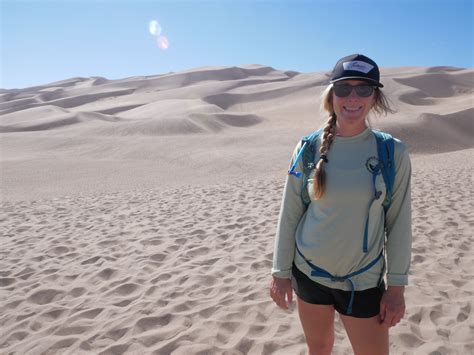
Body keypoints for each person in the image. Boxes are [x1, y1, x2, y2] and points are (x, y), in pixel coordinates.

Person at [270, 54, 412, 355]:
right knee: (318, 349)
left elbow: (399, 222)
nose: (353, 97)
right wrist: (280, 272)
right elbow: (291, 212)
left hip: (362, 282)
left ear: (375, 97)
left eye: (364, 89)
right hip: (308, 274)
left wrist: (396, 288)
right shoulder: (307, 148)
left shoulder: (392, 152)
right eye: (344, 88)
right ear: (331, 94)